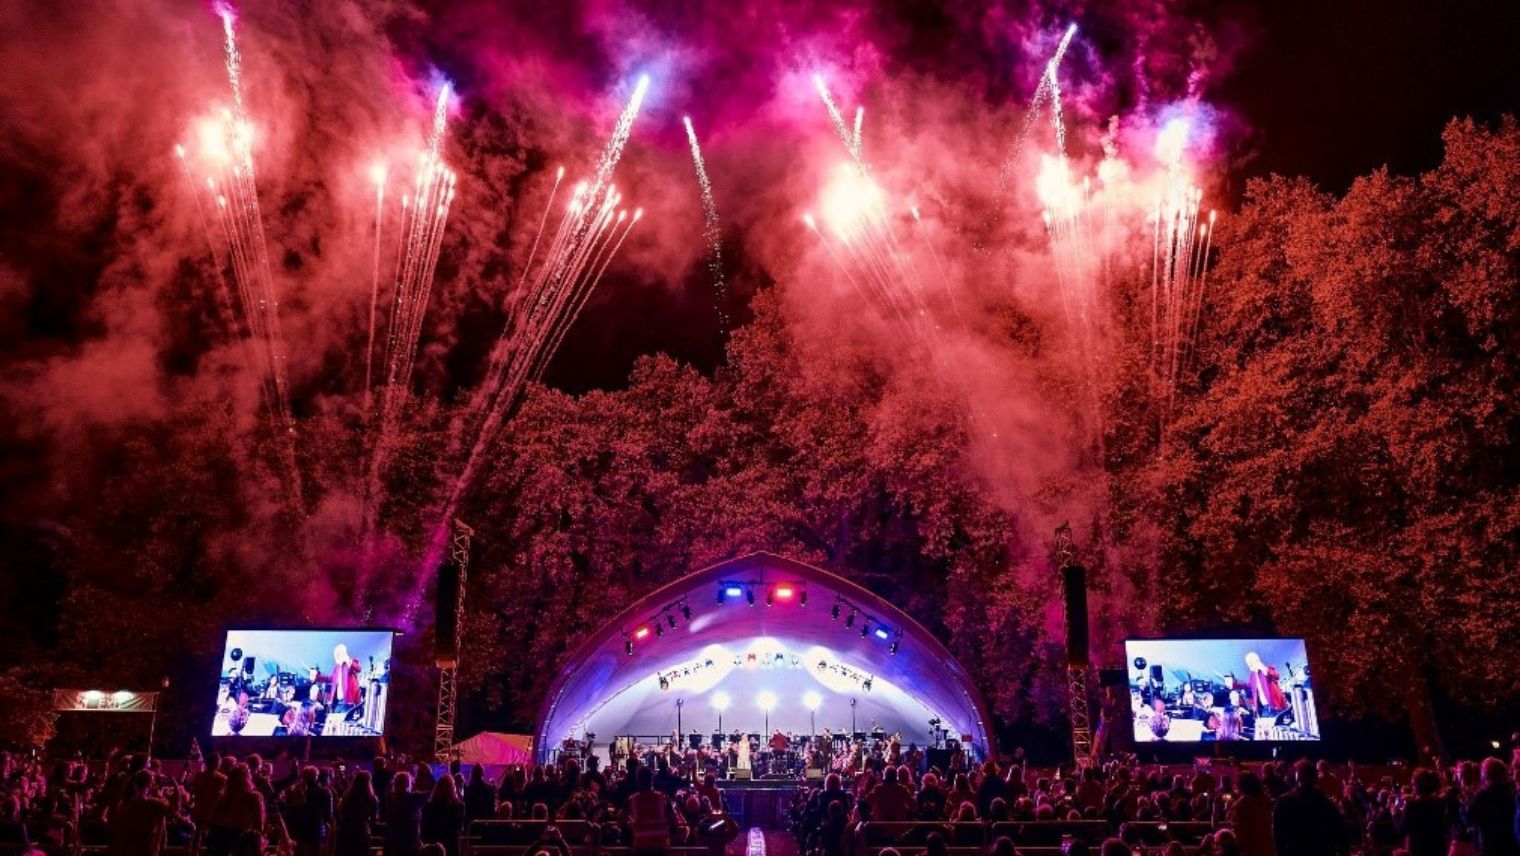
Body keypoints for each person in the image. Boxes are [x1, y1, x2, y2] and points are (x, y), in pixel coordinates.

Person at [1271, 760, 1348, 856]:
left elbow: (1278, 836)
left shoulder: (1284, 802)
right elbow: (1341, 837)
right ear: (1315, 778)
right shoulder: (1327, 804)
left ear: (1297, 777)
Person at [1466, 758, 1519, 856]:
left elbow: (1469, 818)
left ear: (1486, 774)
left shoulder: (1483, 795)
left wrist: (1467, 802)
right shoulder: (1512, 792)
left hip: (1491, 846)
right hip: (1511, 845)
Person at [1397, 767, 1448, 856]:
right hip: (1438, 849)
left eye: (1413, 783)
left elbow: (1403, 830)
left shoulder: (1413, 805)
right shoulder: (1440, 803)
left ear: (1417, 785)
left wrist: (1395, 814)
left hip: (1419, 849)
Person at [1228, 771, 1275, 856]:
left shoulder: (1241, 805)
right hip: (1268, 849)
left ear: (1241, 786)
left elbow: (1239, 836)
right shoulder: (1265, 801)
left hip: (1251, 850)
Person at [383, 772, 429, 856]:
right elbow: (431, 791)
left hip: (392, 842)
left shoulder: (390, 798)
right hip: (410, 841)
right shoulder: (414, 798)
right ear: (408, 783)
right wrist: (428, 774)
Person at [335, 771, 378, 856]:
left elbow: (339, 812)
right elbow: (373, 820)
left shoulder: (347, 796)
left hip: (346, 831)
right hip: (361, 832)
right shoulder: (371, 799)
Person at [420, 776, 465, 856]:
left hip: (433, 843)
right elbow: (459, 826)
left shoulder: (429, 806)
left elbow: (424, 826)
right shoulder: (458, 806)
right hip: (451, 844)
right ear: (452, 787)